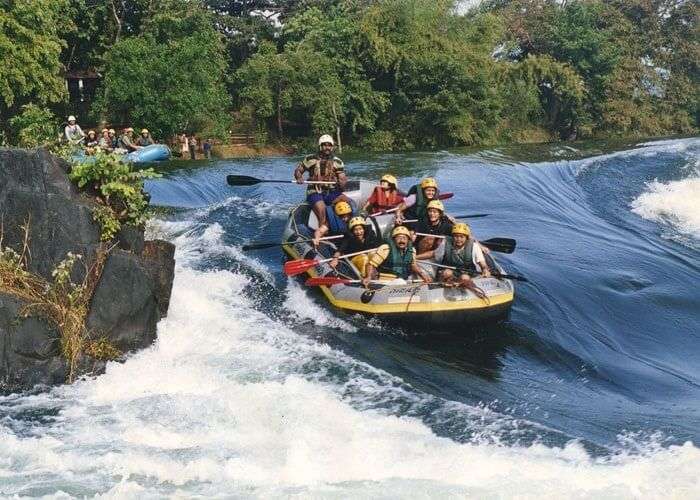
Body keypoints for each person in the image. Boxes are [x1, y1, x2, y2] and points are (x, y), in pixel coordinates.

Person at [294, 134, 350, 229]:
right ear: (320, 146)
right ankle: (322, 234)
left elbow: (342, 178)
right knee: (321, 209)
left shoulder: (337, 162)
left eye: (329, 145)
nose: (327, 147)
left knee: (349, 202)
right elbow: (298, 171)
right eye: (325, 145)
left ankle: (349, 228)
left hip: (331, 192)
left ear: (332, 147)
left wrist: (342, 183)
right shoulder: (310, 159)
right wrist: (299, 177)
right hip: (315, 192)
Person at [418, 223, 490, 296]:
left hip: (466, 273)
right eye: (456, 236)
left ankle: (460, 285)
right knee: (447, 272)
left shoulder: (474, 246)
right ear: (453, 237)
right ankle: (442, 285)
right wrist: (416, 257)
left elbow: (482, 263)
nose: (458, 239)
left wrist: (485, 269)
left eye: (462, 237)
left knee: (464, 277)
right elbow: (433, 254)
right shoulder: (446, 243)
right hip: (448, 271)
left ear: (466, 238)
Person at [363, 225, 432, 286]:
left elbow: (413, 265)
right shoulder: (386, 248)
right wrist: (368, 277)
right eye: (398, 238)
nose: (401, 240)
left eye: (404, 238)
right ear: (394, 240)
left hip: (403, 281)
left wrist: (423, 275)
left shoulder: (412, 251)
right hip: (385, 282)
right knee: (400, 282)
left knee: (405, 282)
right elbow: (371, 264)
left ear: (408, 240)